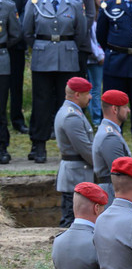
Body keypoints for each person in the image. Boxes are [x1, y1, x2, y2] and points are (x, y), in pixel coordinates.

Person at [24, 0, 89, 164]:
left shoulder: (75, 2)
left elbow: (81, 31)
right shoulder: (34, 1)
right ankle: (39, 144)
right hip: (43, 56)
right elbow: (27, 31)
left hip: (67, 56)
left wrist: (67, 46)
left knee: (68, 103)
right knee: (41, 102)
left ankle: (70, 145)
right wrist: (41, 47)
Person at [54, 77, 95, 226]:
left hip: (76, 174)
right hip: (76, 175)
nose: (90, 97)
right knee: (71, 221)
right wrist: (103, 166)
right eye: (87, 93)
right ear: (77, 95)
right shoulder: (72, 115)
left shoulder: (70, 111)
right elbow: (85, 149)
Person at [0, 0, 29, 138]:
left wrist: (12, 41)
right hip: (1, 45)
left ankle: (17, 119)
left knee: (16, 85)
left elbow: (25, 17)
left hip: (15, 45)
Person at [92, 90, 131, 201]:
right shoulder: (110, 137)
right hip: (112, 196)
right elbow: (121, 174)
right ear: (114, 109)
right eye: (125, 107)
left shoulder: (110, 132)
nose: (128, 110)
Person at [0, 0, 18, 163]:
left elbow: (15, 34)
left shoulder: (7, 6)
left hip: (1, 61)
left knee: (0, 107)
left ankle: (2, 146)